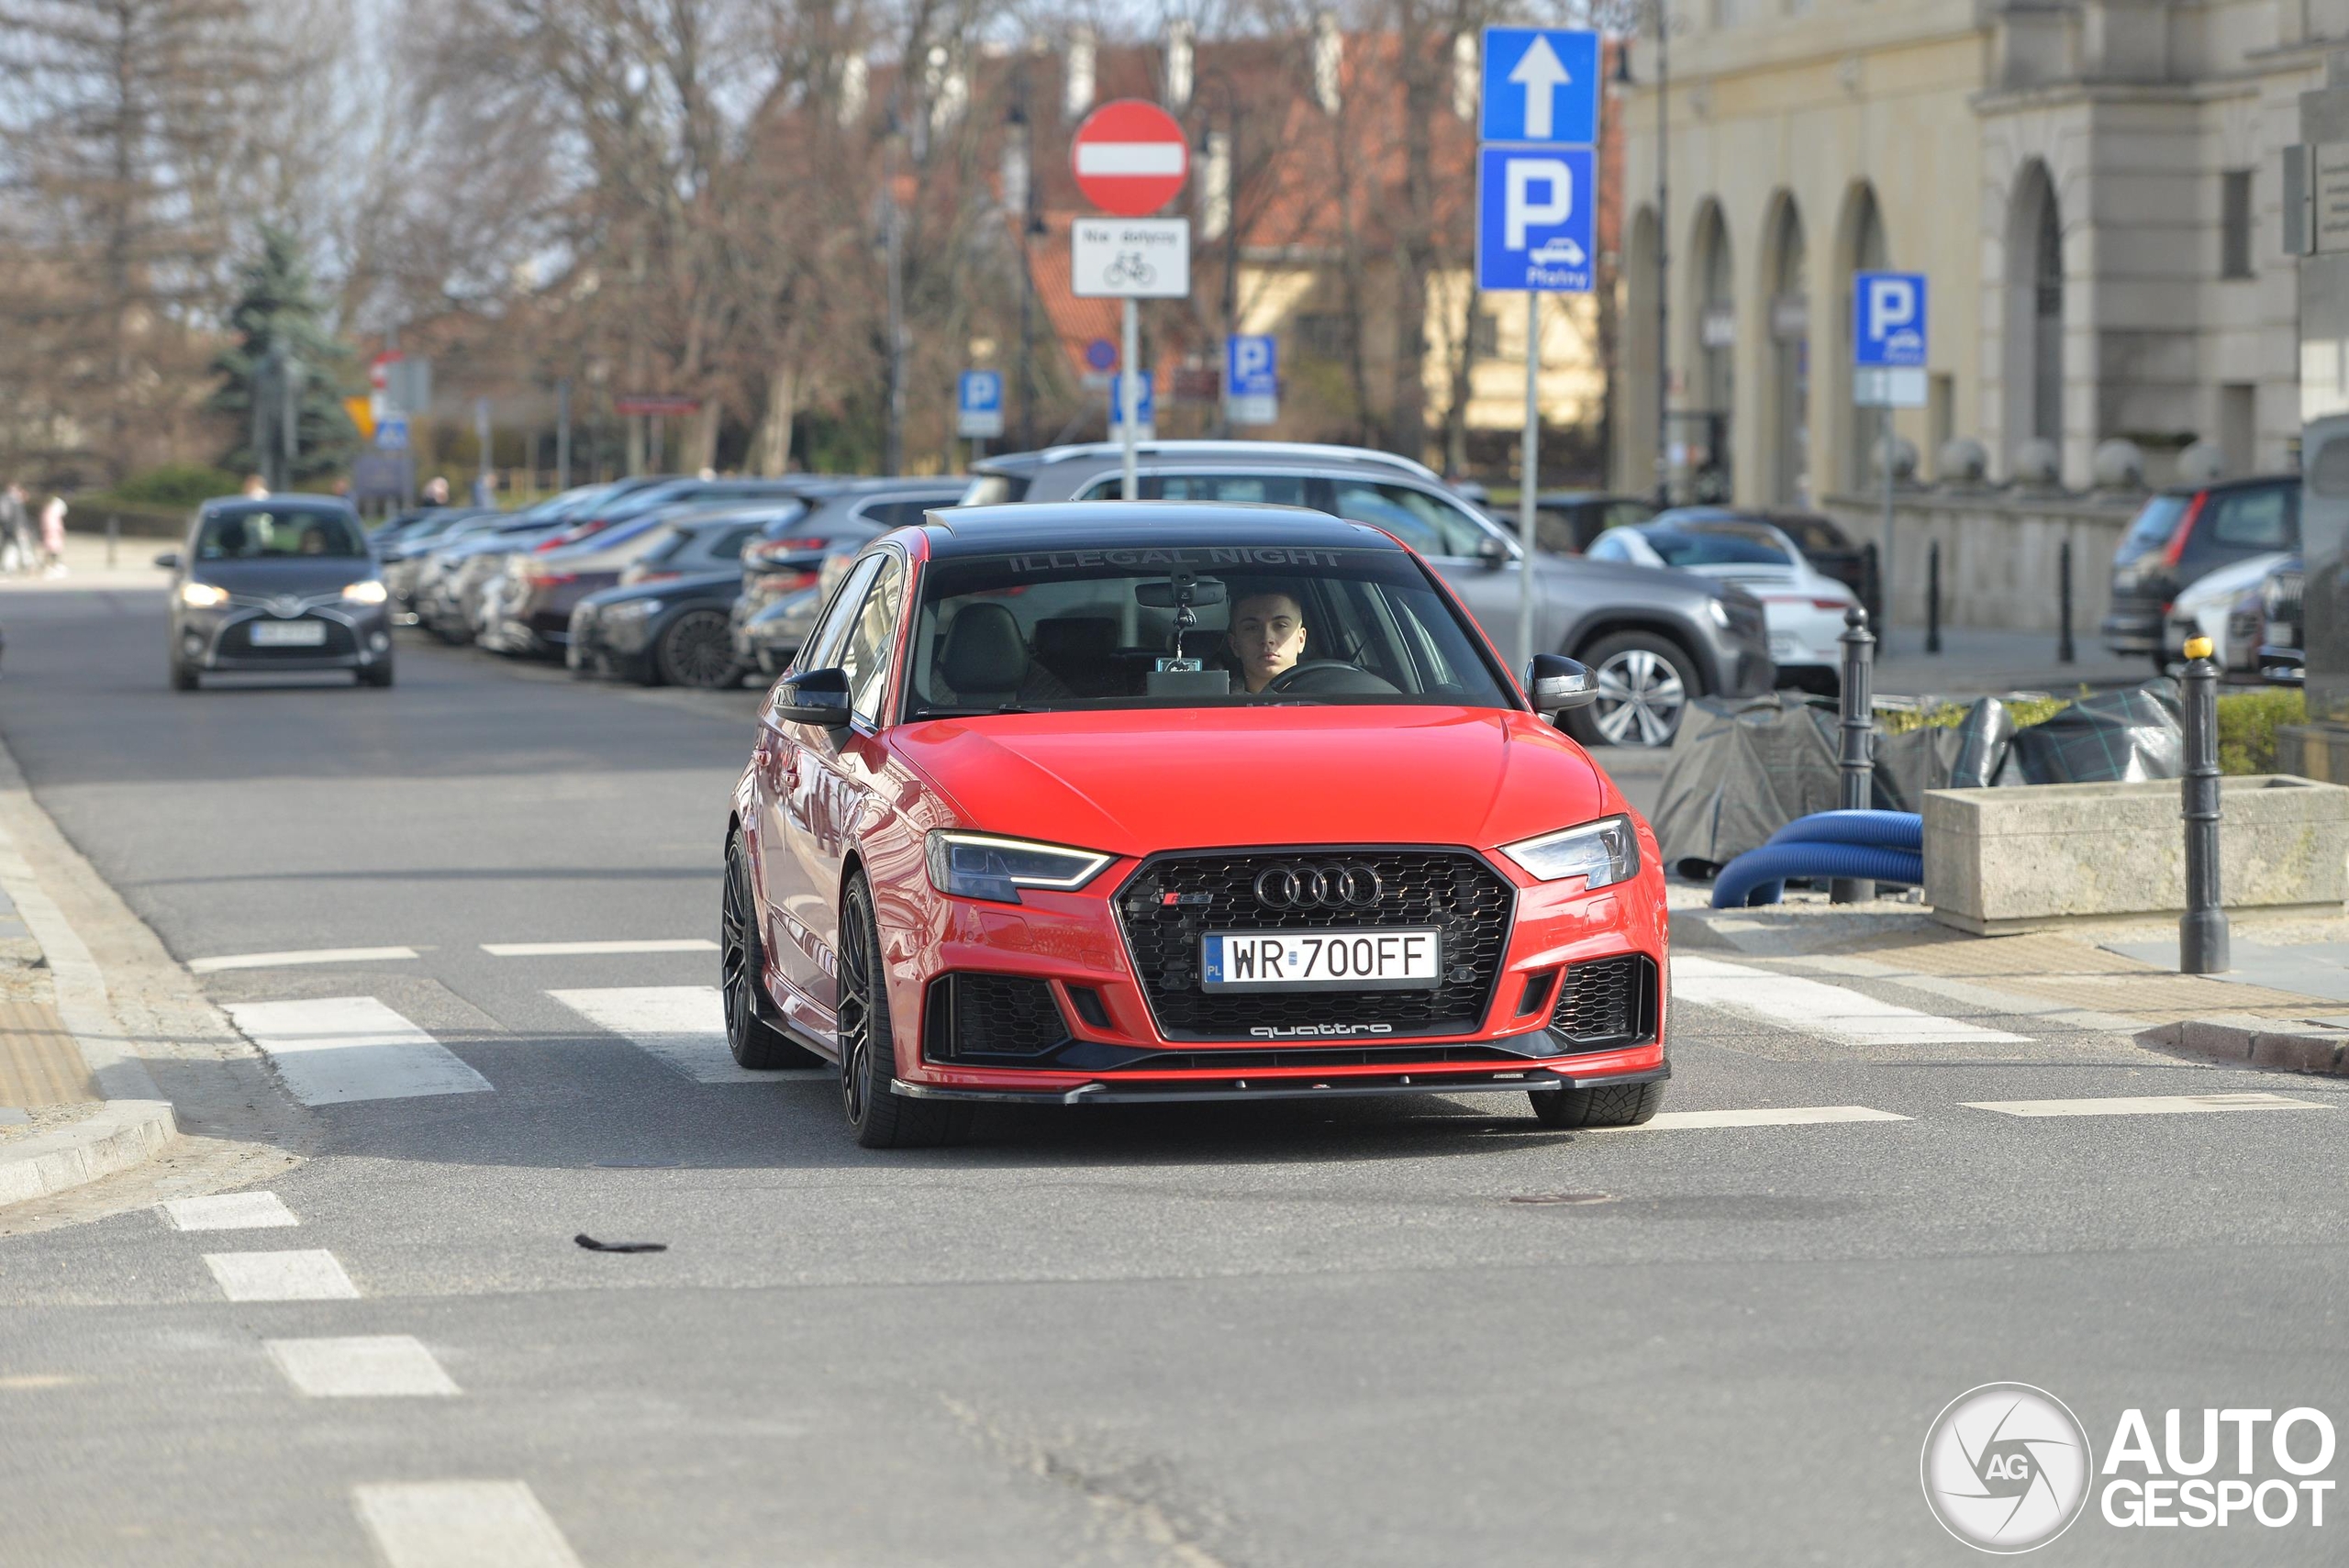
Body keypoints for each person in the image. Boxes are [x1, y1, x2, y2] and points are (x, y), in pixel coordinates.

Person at [1224, 585, 1308, 694]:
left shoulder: (1327, 697)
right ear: (1235, 645)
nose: (1267, 638)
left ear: (1301, 640)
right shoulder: (1213, 704)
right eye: (1252, 628)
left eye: (1280, 625)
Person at [0, 482, 29, 574]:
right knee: (22, 547)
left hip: (6, 528)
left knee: (9, 547)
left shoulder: (4, 499)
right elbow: (19, 517)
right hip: (16, 528)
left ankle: (8, 566)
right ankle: (26, 565)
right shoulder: (15, 501)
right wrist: (21, 528)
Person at [39, 492, 67, 576]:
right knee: (53, 550)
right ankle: (51, 566)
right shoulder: (52, 513)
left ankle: (50, 566)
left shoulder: (48, 511)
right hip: (52, 533)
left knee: (51, 550)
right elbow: (52, 524)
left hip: (51, 533)